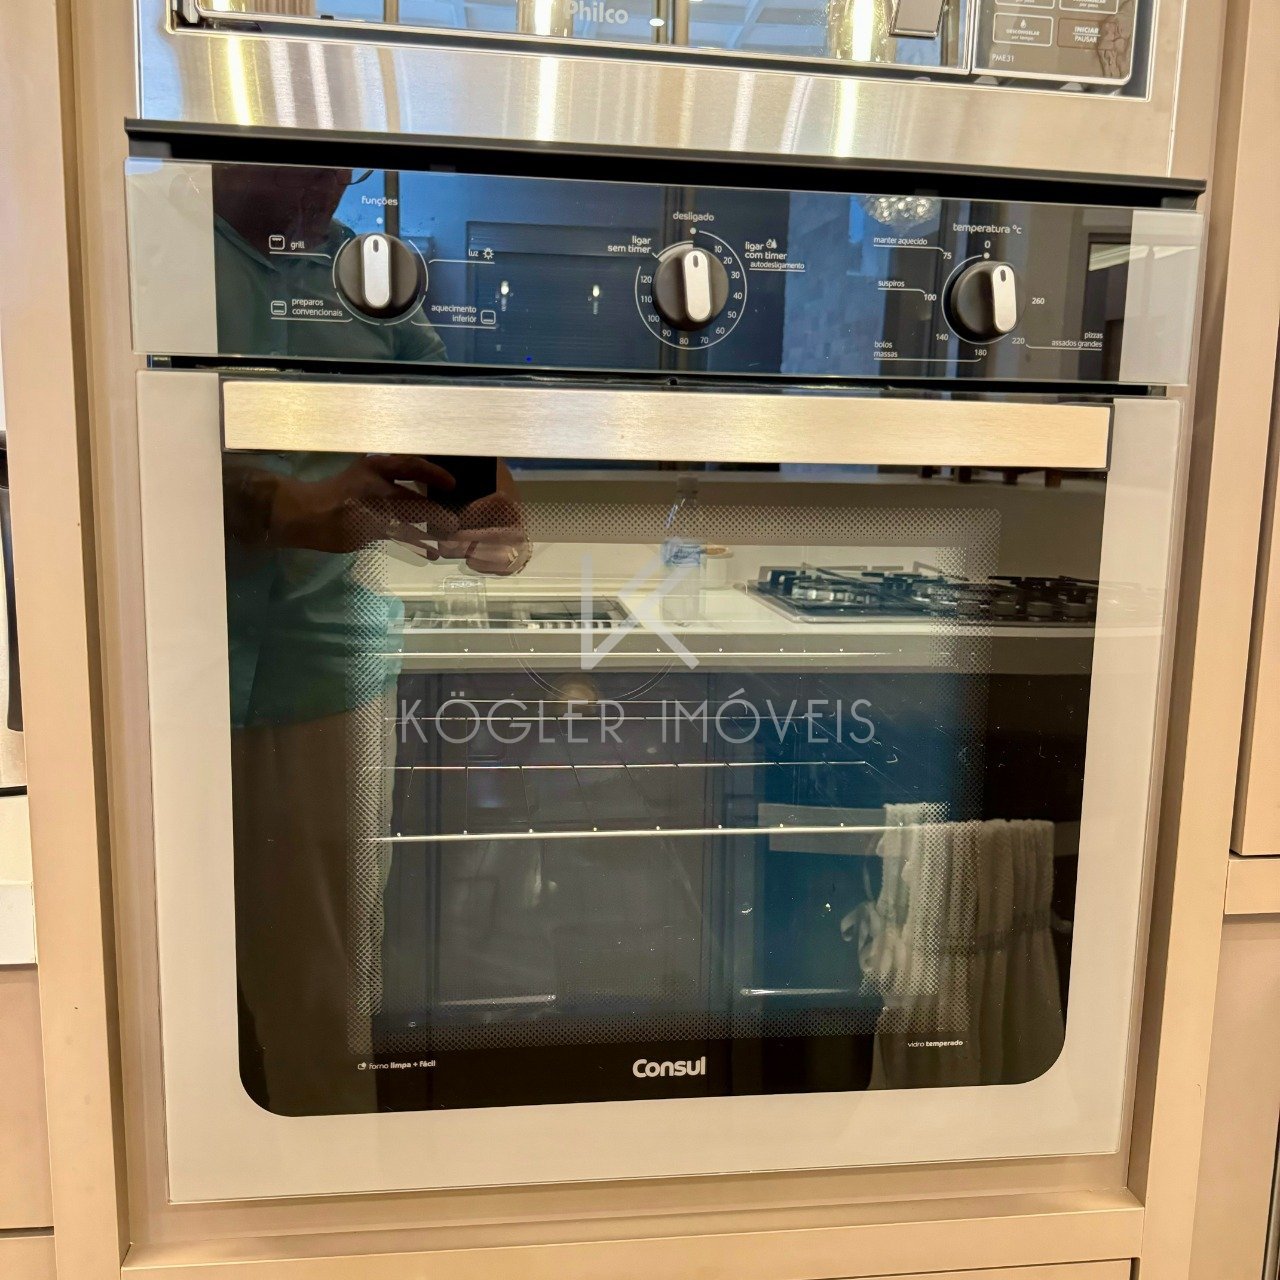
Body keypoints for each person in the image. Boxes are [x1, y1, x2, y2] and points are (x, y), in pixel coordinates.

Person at [214, 164, 529, 1113]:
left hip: (326, 673)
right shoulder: (148, 248)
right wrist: (279, 504)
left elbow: (444, 407)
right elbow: (109, 442)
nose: (328, 183)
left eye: (339, 164)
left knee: (325, 988)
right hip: (161, 671)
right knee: (166, 977)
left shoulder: (366, 272)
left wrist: (489, 503)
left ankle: (324, 1186)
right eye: (301, 160)